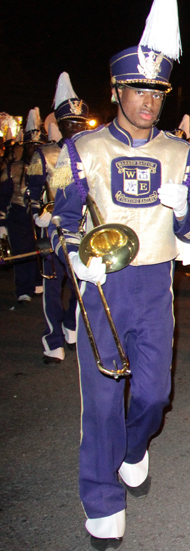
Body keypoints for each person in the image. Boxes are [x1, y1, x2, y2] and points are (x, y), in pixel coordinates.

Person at [47, 0, 190, 551]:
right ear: (117, 89)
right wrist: (75, 258)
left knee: (155, 394)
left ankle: (135, 449)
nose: (148, 99)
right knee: (100, 395)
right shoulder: (82, 150)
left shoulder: (185, 156)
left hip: (154, 283)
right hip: (101, 282)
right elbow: (62, 220)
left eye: (157, 89)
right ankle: (101, 496)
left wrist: (185, 209)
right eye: (137, 88)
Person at [28, 73, 90, 362]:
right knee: (53, 285)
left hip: (85, 228)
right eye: (70, 124)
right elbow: (32, 192)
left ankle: (70, 324)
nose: (76, 128)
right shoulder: (46, 154)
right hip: (53, 226)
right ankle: (52, 338)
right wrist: (39, 214)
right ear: (60, 125)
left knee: (80, 284)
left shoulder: (94, 151)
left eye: (80, 123)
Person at [0, 108, 45, 303]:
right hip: (18, 214)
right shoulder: (13, 168)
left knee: (40, 251)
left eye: (37, 146)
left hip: (39, 216)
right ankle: (23, 289)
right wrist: (1, 221)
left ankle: (37, 282)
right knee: (21, 253)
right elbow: (3, 195)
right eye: (30, 146)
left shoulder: (47, 165)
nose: (34, 150)